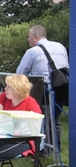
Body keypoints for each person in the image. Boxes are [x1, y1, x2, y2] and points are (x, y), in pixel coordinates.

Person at [16, 25, 69, 155]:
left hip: (43, 90)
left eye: (29, 37)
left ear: (36, 36)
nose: (28, 40)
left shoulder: (33, 52)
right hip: (60, 87)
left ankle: (45, 152)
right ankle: (56, 151)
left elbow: (20, 72)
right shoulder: (60, 47)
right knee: (55, 121)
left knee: (43, 120)